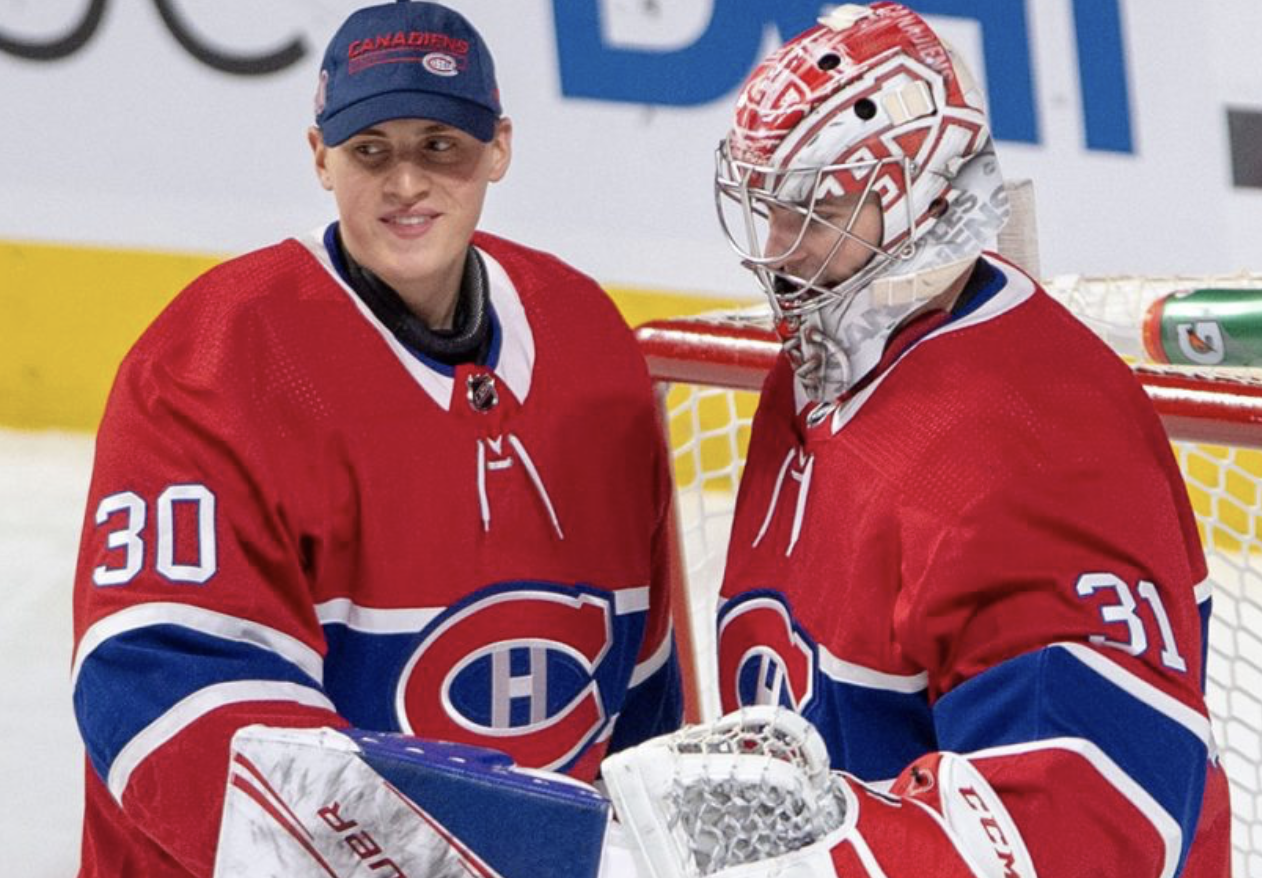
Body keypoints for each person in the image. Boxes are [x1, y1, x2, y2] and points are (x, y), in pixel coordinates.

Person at [70, 2, 681, 875]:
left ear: (498, 147)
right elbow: (162, 704)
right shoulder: (212, 363)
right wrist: (489, 853)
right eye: (371, 150)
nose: (406, 183)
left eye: (441, 144)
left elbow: (642, 685)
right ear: (320, 156)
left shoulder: (589, 342)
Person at [701, 3, 1229, 876]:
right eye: (770, 206)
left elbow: (1081, 831)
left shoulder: (1026, 452)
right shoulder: (816, 374)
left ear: (921, 195)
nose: (779, 249)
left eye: (819, 207)